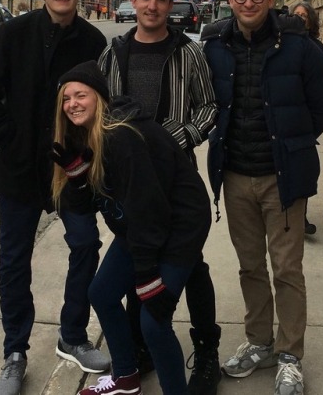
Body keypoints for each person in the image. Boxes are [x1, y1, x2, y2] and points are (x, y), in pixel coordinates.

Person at [0, 0, 110, 395]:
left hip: (71, 170)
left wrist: (84, 156)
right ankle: (15, 351)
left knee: (86, 243)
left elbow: (102, 106)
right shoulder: (14, 33)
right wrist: (8, 139)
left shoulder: (92, 41)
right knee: (14, 261)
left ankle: (72, 333)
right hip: (17, 172)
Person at [202, 0, 323, 395]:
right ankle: (259, 341)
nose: (247, 4)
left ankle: (290, 354)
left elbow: (321, 107)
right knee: (250, 266)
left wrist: (290, 144)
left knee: (286, 268)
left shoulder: (300, 46)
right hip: (236, 175)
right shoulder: (215, 44)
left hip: (283, 177)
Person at [51, 61, 212, 395]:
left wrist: (148, 275)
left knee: (153, 322)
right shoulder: (87, 137)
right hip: (142, 225)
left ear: (99, 98)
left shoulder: (121, 136)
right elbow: (94, 208)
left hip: (179, 226)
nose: (72, 104)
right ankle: (126, 378)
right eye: (66, 99)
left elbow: (146, 209)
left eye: (81, 95)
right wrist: (78, 177)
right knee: (102, 293)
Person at [99, 0, 221, 395]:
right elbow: (99, 113)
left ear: (172, 5)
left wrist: (172, 139)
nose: (152, 6)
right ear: (133, 0)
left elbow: (208, 108)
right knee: (138, 260)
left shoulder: (188, 53)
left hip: (176, 185)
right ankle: (141, 350)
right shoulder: (113, 55)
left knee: (191, 267)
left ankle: (206, 350)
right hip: (131, 186)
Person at [291, 1, 323, 235]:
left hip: (305, 118)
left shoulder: (316, 47)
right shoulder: (282, 43)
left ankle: (300, 218)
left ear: (311, 20)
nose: (300, 19)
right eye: (296, 15)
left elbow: (322, 91)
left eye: (304, 16)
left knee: (304, 172)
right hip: (289, 116)